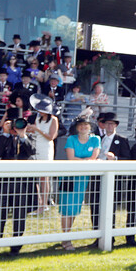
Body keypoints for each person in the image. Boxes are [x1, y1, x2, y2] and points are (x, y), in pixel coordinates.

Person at [0, 118, 37, 256]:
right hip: (4, 181)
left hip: (21, 183)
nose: (17, 127)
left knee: (19, 214)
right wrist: (5, 133)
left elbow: (31, 151)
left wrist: (22, 135)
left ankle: (16, 246)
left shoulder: (29, 138)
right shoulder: (4, 138)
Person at [59, 117, 100, 251]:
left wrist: (86, 160)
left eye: (86, 125)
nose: (83, 127)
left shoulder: (95, 140)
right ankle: (66, 239)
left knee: (75, 208)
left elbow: (94, 158)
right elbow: (71, 158)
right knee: (67, 208)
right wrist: (87, 160)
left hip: (83, 178)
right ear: (77, 127)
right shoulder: (71, 139)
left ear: (90, 127)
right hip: (69, 177)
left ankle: (66, 236)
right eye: (80, 125)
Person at [28, 94, 60, 214]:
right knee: (37, 176)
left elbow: (51, 137)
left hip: (46, 149)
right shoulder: (37, 118)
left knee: (44, 177)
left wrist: (37, 129)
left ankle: (44, 203)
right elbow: (37, 132)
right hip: (36, 147)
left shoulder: (54, 120)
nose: (39, 112)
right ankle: (39, 202)